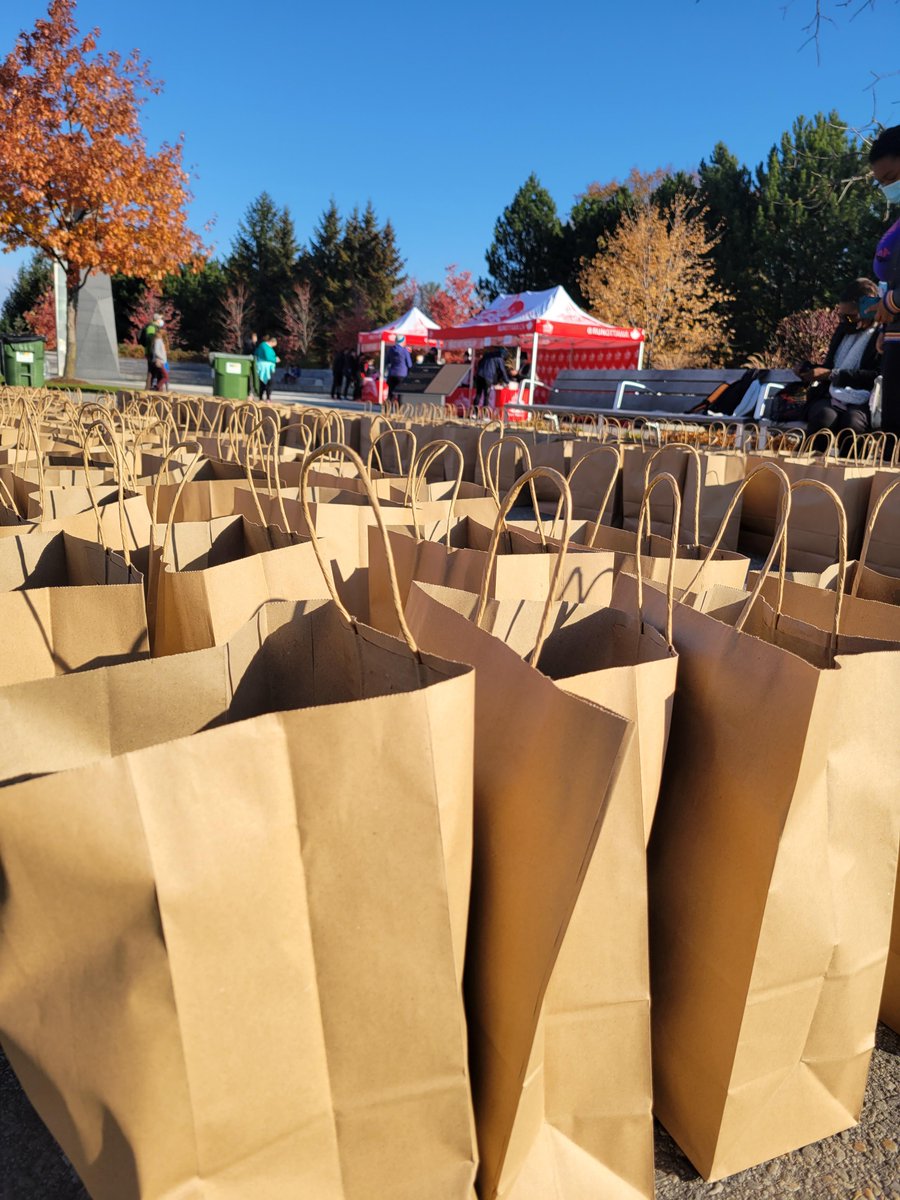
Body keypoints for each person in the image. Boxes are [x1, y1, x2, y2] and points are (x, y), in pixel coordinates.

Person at [802, 279, 882, 441]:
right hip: (831, 394)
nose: (845, 321)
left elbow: (876, 376)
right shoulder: (843, 331)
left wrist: (833, 374)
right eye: (842, 316)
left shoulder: (881, 335)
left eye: (850, 317)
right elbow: (829, 367)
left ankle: (852, 466)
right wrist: (808, 369)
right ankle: (810, 462)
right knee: (824, 417)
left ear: (869, 311)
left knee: (852, 424)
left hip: (866, 398)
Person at [870, 125, 900, 436]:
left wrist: (890, 303)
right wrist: (884, 326)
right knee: (892, 431)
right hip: (895, 335)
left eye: (891, 179)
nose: (888, 189)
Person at [473, 345, 509, 411]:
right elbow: (502, 370)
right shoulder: (499, 358)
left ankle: (474, 413)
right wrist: (507, 381)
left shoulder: (487, 355)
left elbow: (479, 363)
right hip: (488, 377)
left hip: (479, 375)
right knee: (486, 396)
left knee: (478, 394)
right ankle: (484, 414)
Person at [385, 335, 412, 401]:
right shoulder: (405, 351)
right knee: (400, 394)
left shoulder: (390, 350)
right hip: (402, 374)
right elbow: (409, 364)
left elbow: (386, 361)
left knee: (390, 393)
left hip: (392, 374)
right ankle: (399, 409)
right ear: (403, 341)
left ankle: (386, 409)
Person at [140, 313, 164, 389]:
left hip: (156, 353)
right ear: (157, 320)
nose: (162, 321)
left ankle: (155, 389)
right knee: (152, 372)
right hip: (153, 353)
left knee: (157, 372)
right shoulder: (151, 327)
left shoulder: (156, 328)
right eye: (160, 319)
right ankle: (149, 389)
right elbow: (150, 340)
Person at [255, 335, 279, 402]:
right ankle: (266, 397)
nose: (273, 346)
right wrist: (275, 359)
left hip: (266, 367)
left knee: (265, 383)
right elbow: (267, 357)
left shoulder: (264, 346)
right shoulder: (264, 346)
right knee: (268, 382)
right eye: (274, 345)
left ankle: (263, 397)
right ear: (272, 342)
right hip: (265, 367)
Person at [149, 325, 168, 392]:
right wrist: (162, 357)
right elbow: (157, 351)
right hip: (160, 361)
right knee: (166, 377)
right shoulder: (158, 341)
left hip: (160, 361)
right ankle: (156, 387)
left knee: (160, 376)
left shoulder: (158, 341)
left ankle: (157, 388)